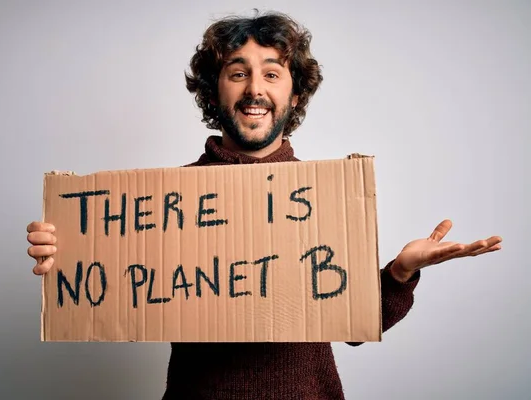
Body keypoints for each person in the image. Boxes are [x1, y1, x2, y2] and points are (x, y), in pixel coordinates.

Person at [26, 11, 502, 400]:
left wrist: (398, 273)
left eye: (271, 73)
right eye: (238, 73)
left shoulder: (325, 197)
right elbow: (108, 282)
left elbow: (357, 325)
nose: (255, 89)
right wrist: (67, 248)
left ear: (294, 94)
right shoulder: (162, 202)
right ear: (216, 91)